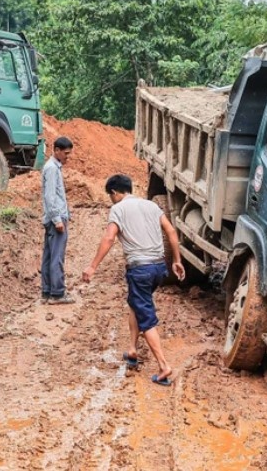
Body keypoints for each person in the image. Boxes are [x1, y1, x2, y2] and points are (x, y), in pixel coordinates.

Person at [82, 174, 186, 386]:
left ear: (114, 193)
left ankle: (164, 366)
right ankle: (132, 349)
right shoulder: (150, 206)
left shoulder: (118, 209)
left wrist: (92, 266)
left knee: (146, 317)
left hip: (140, 270)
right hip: (159, 268)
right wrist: (176, 260)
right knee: (135, 304)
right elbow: (171, 231)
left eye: (110, 196)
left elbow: (109, 238)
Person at [41, 136, 75, 305]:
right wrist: (57, 219)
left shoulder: (52, 167)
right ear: (57, 150)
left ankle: (47, 292)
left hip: (51, 218)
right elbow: (50, 196)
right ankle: (57, 293)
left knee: (49, 256)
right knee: (56, 257)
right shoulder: (52, 169)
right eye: (66, 153)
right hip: (55, 219)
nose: (68, 157)